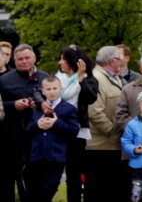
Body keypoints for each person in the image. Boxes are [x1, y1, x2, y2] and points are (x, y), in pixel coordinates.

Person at [0, 43, 49, 201]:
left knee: (36, 174)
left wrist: (40, 104)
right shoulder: (4, 80)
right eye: (20, 59)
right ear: (14, 61)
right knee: (9, 173)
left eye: (27, 58)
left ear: (34, 57)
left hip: (39, 134)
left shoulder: (45, 77)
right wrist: (14, 105)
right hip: (11, 134)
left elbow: (55, 102)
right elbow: (1, 105)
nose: (24, 61)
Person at [25, 76, 79, 202]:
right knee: (34, 190)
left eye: (55, 88)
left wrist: (56, 123)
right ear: (43, 92)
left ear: (60, 89)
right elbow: (28, 131)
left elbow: (74, 131)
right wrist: (37, 125)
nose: (52, 91)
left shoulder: (69, 109)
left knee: (50, 187)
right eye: (48, 89)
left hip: (56, 156)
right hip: (37, 155)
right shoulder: (37, 109)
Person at [56, 45, 99, 202]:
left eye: (63, 59)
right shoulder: (60, 79)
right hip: (59, 128)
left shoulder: (89, 78)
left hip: (77, 130)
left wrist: (81, 80)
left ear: (72, 62)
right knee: (64, 172)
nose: (60, 62)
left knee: (76, 172)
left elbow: (91, 98)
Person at [85, 45, 127, 202]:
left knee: (112, 190)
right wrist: (113, 131)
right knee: (98, 190)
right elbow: (94, 111)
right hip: (101, 147)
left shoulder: (115, 77)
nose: (122, 61)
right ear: (111, 61)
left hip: (113, 146)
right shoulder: (96, 78)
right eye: (119, 58)